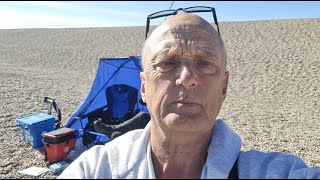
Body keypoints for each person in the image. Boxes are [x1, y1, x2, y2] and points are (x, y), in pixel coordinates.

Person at [59, 13, 320, 179]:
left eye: (205, 63)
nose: (187, 78)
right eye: (168, 63)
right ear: (144, 88)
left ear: (224, 87)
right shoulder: (95, 169)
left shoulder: (278, 172)